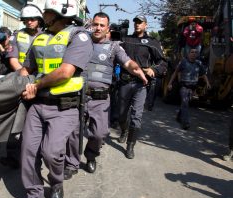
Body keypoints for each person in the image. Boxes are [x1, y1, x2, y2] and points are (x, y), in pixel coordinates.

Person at [17, 0, 93, 198]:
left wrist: (37, 84)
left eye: (48, 11)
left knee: (51, 152)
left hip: (64, 107)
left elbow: (65, 72)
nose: (45, 15)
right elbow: (27, 69)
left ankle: (56, 182)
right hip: (37, 104)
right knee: (28, 152)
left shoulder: (79, 36)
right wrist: (9, 85)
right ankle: (34, 195)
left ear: (60, 13)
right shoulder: (40, 37)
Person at [74, 12, 147, 174]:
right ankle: (70, 163)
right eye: (95, 24)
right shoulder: (80, 43)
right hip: (77, 95)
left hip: (100, 98)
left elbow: (127, 62)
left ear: (107, 29)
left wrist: (137, 70)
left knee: (100, 133)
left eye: (102, 25)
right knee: (72, 131)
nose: (98, 28)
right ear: (91, 25)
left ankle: (91, 156)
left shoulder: (114, 47)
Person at [0, 3, 44, 169]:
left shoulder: (48, 35)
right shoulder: (17, 36)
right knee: (15, 120)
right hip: (22, 80)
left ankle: (38, 155)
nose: (29, 22)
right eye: (26, 20)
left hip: (42, 82)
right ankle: (12, 155)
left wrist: (37, 79)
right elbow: (12, 60)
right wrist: (25, 75)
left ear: (39, 20)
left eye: (32, 19)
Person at [118, 15, 167, 159]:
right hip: (125, 82)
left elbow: (163, 62)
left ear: (146, 25)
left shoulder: (152, 42)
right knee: (121, 114)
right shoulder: (125, 39)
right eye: (135, 22)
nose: (137, 24)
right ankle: (124, 130)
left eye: (140, 22)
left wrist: (154, 70)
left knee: (136, 116)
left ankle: (130, 146)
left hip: (142, 84)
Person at [167, 48, 210, 130]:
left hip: (192, 88)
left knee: (185, 103)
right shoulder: (183, 62)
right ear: (188, 54)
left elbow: (203, 74)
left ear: (197, 55)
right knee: (185, 103)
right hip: (184, 86)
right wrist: (170, 83)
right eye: (192, 52)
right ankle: (185, 123)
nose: (194, 53)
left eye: (195, 52)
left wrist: (207, 83)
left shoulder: (199, 63)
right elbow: (175, 72)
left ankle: (179, 116)